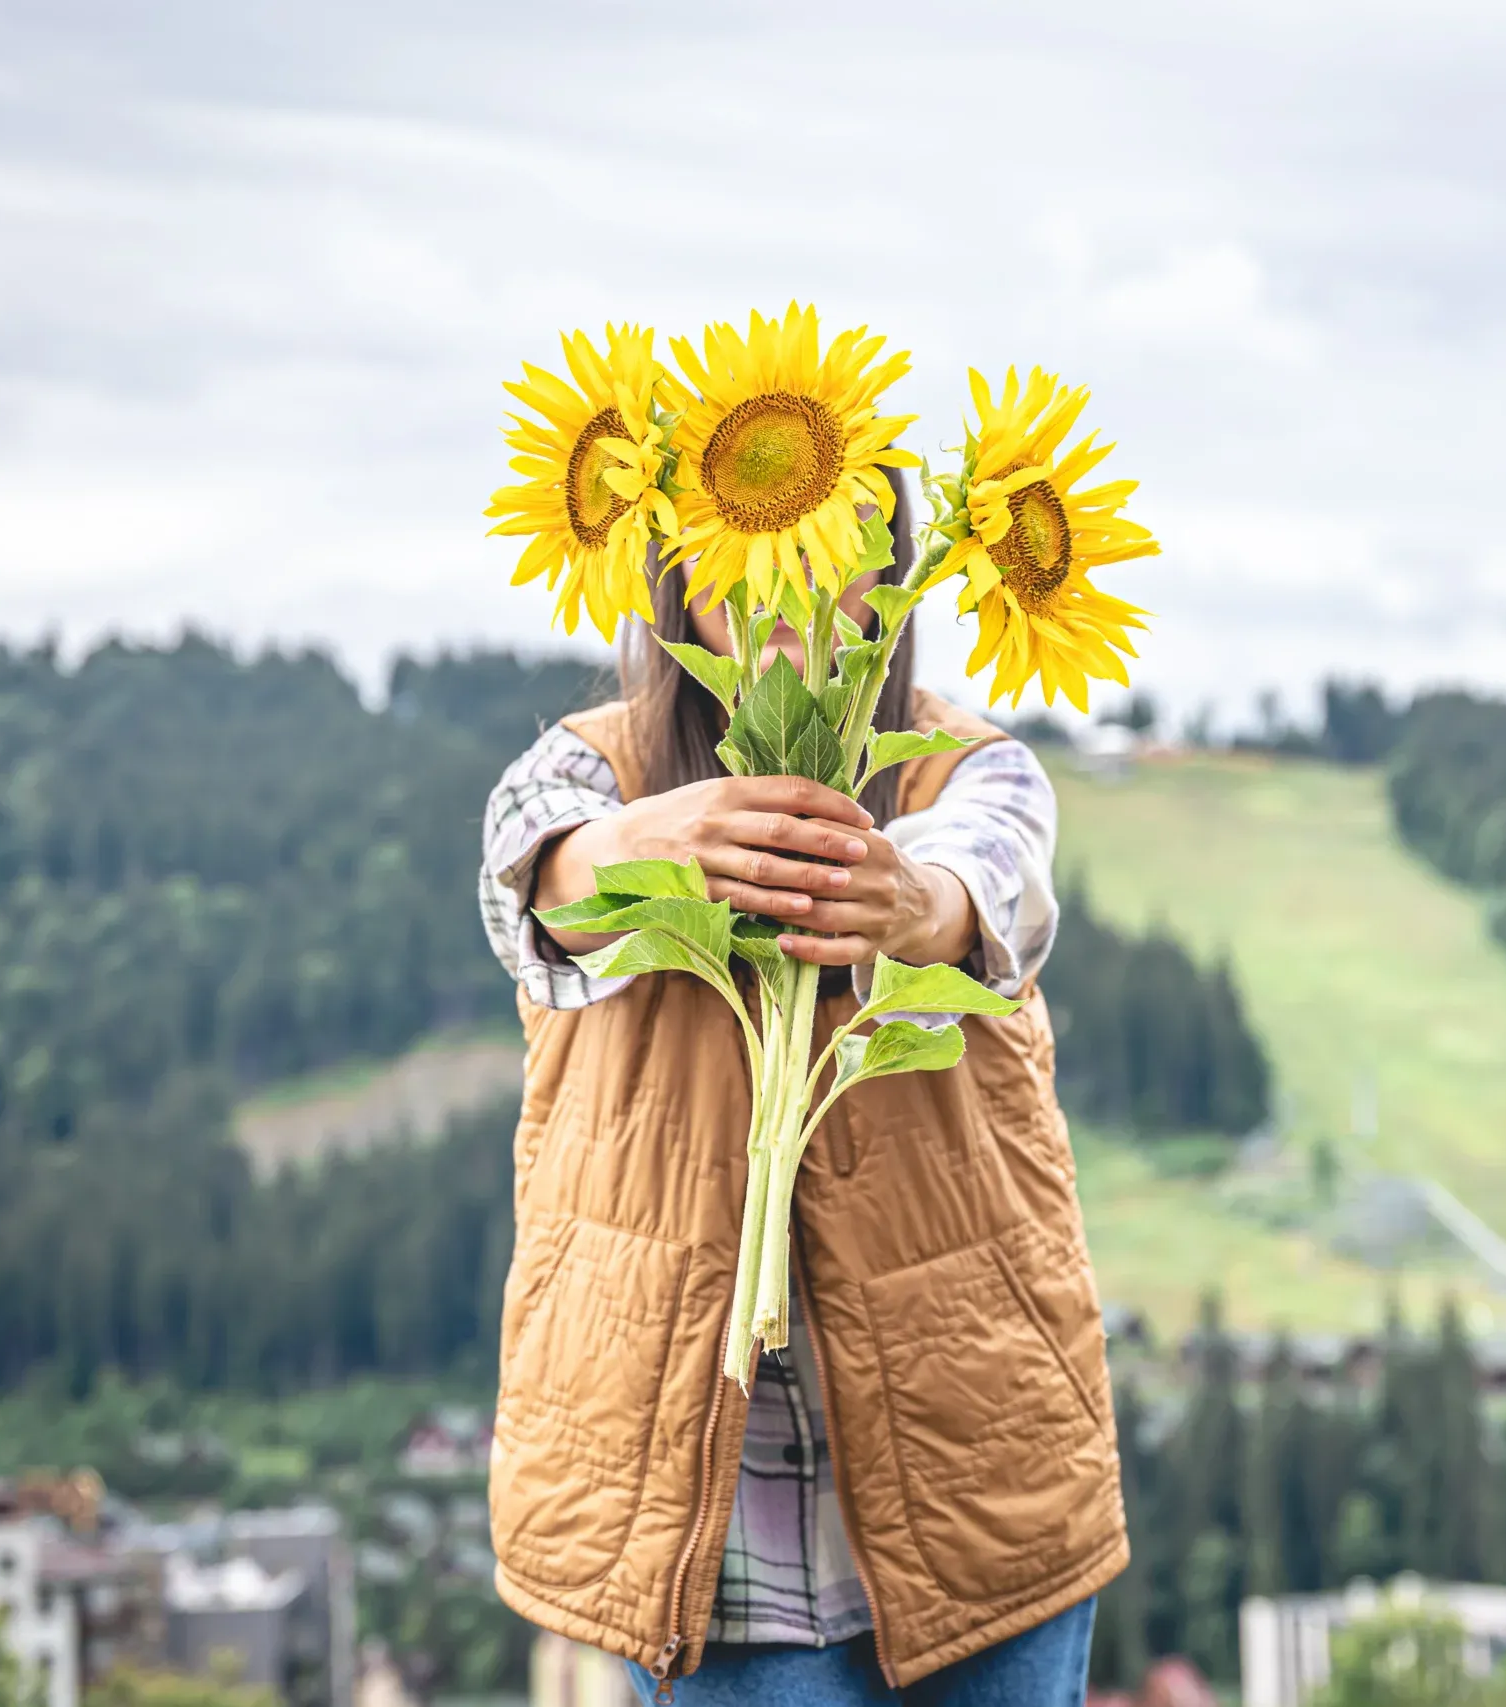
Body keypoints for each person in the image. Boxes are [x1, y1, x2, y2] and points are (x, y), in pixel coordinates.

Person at [476, 477, 1124, 1707]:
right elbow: (534, 882)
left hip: (978, 1467)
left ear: (887, 574)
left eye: (824, 542)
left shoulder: (966, 771)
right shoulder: (587, 773)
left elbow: (987, 892)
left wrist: (901, 906)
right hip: (701, 1505)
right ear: (678, 567)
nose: (788, 583)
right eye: (743, 541)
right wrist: (638, 850)